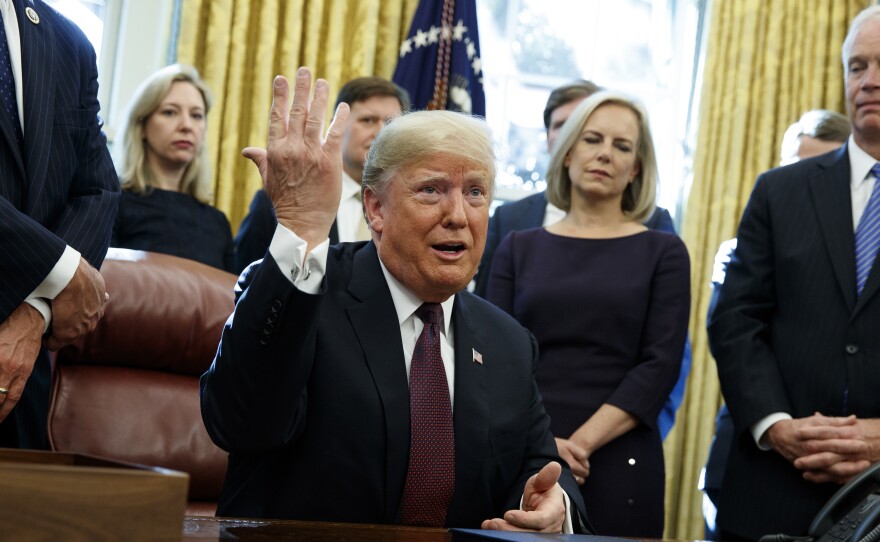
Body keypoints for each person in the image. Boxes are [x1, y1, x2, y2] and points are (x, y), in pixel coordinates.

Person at [200, 68, 589, 532]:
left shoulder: (508, 342)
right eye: (431, 190)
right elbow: (242, 424)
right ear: (376, 209)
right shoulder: (302, 291)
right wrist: (301, 229)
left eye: (475, 193)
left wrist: (555, 508)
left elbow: (541, 466)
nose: (458, 216)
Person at [708, 7, 880, 540]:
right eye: (857, 66)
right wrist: (775, 426)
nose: (869, 80)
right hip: (771, 484)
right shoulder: (779, 191)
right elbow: (736, 319)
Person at [486, 90, 690, 537]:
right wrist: (545, 448)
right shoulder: (516, 246)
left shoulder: (665, 251)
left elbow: (660, 365)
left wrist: (577, 445)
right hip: (525, 447)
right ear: (566, 152)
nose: (605, 154)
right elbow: (495, 359)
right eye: (592, 139)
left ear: (636, 168)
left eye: (622, 146)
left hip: (619, 452)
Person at [700, 108, 851, 540]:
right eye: (797, 168)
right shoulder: (740, 249)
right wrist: (777, 425)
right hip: (752, 461)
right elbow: (734, 334)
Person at [0, 0, 118, 448]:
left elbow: (97, 190)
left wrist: (34, 311)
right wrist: (62, 271)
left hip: (20, 374)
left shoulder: (70, 43)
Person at [233, 76, 409, 273]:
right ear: (337, 125)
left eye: (391, 123)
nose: (380, 132)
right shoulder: (283, 201)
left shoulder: (415, 206)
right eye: (368, 120)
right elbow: (245, 285)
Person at [112, 64, 235, 272]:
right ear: (141, 126)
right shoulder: (113, 204)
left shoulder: (218, 223)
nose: (186, 125)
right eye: (170, 112)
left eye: (196, 115)